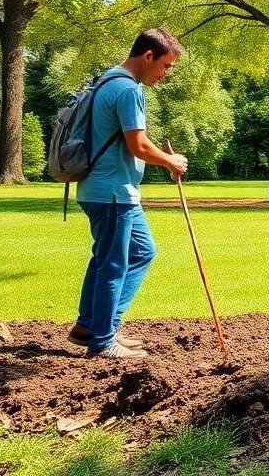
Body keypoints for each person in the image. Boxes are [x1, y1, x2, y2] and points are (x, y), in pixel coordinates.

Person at [67, 29, 189, 360]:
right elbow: (138, 144)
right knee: (113, 264)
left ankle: (89, 326)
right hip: (113, 194)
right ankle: (103, 340)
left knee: (140, 251)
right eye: (166, 66)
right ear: (148, 56)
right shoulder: (128, 90)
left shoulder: (106, 80)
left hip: (107, 191)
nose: (165, 75)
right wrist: (170, 161)